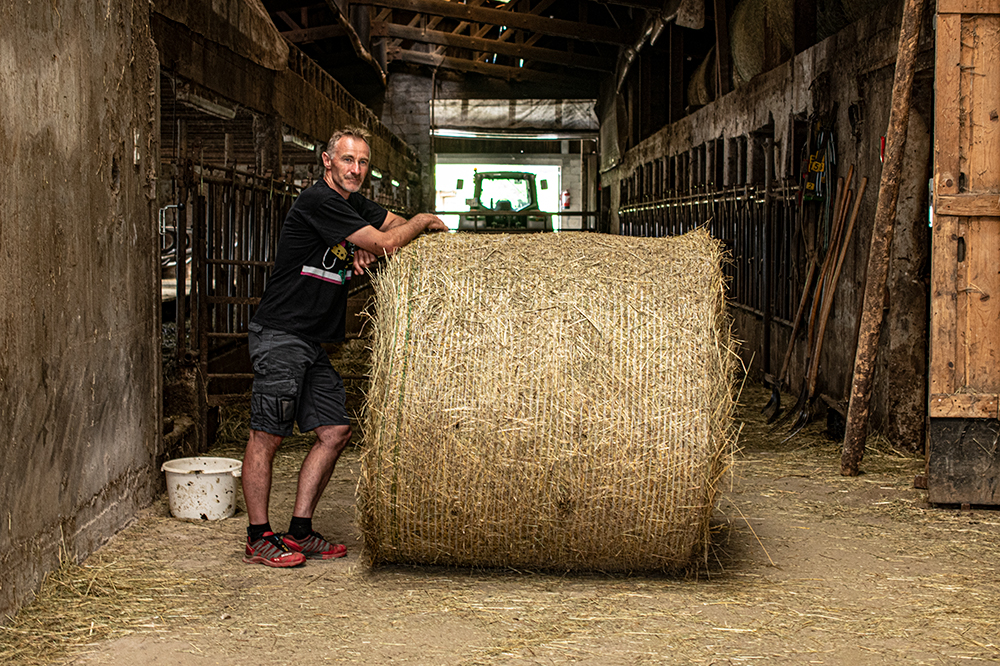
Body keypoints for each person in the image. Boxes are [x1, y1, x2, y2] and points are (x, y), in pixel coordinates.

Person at [241, 126, 447, 567]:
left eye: (363, 162)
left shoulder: (354, 204)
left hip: (312, 340)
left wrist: (374, 238)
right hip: (280, 333)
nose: (356, 169)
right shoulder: (320, 200)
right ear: (327, 161)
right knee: (267, 434)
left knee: (334, 432)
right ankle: (258, 537)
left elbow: (388, 228)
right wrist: (423, 221)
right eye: (348, 160)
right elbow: (391, 239)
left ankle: (299, 531)